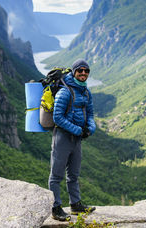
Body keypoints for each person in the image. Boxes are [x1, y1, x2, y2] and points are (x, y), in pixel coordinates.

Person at [48, 58, 96, 221]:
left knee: (73, 174)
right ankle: (55, 207)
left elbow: (90, 113)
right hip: (62, 137)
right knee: (56, 175)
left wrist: (91, 127)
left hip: (77, 139)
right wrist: (77, 130)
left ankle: (75, 205)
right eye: (80, 70)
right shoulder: (65, 92)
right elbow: (57, 117)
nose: (83, 73)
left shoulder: (85, 92)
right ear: (74, 72)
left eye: (86, 71)